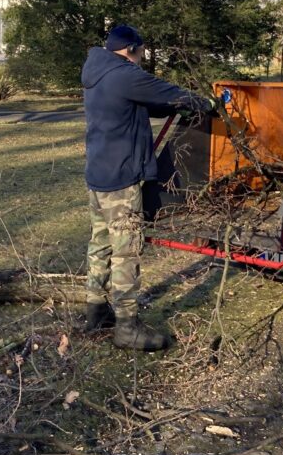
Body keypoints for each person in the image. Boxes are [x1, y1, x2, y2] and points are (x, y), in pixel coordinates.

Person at [81, 24, 212, 351]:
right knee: (126, 251)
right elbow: (166, 92)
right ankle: (127, 327)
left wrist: (174, 108)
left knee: (101, 243)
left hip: (98, 176)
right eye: (142, 53)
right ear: (132, 50)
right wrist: (204, 103)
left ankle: (95, 311)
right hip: (122, 181)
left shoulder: (98, 73)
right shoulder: (125, 74)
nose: (143, 59)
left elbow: (148, 103)